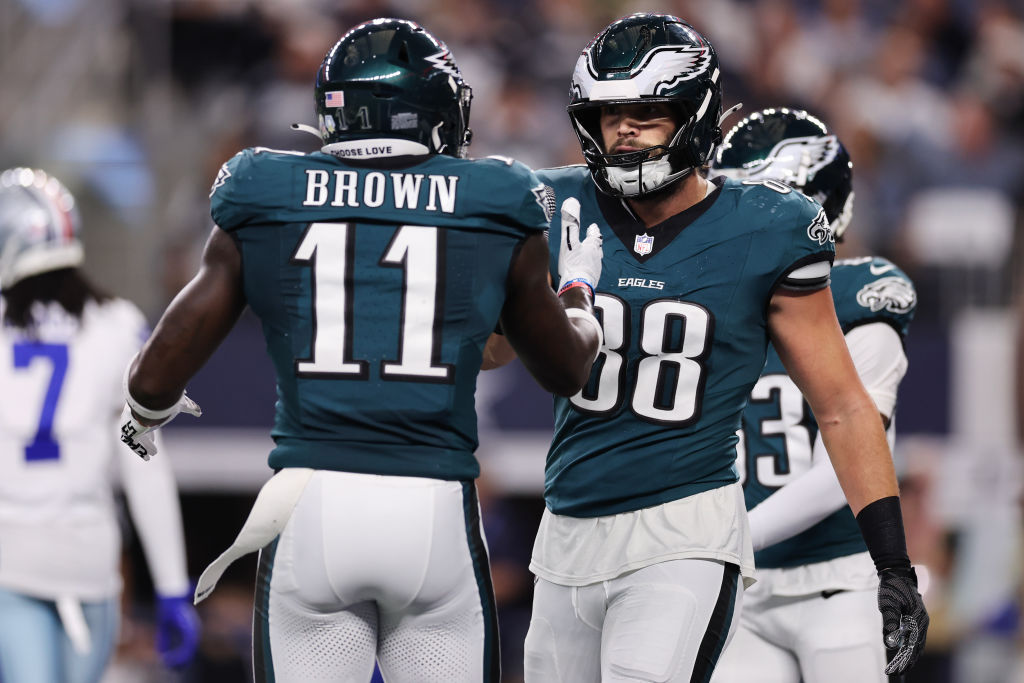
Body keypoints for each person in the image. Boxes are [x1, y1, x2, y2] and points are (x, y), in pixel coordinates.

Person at [118, 18, 603, 683]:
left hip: (312, 504)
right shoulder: (496, 196)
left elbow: (162, 360)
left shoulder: (266, 187)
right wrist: (576, 289)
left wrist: (144, 414)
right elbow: (569, 368)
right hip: (432, 509)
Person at [484, 13, 927, 681]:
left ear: (693, 114)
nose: (624, 128)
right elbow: (492, 354)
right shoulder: (555, 204)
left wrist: (892, 563)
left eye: (645, 110)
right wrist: (528, 297)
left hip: (684, 526)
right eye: (608, 114)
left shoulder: (767, 225)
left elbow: (843, 407)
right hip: (566, 524)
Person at [707, 108, 919, 682]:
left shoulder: (863, 300)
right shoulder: (707, 307)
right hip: (743, 587)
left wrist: (722, 539)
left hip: (839, 582)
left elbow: (846, 469)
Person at [0, 167, 199, 683]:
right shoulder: (116, 324)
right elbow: (143, 461)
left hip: (9, 560)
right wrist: (172, 584)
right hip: (90, 563)